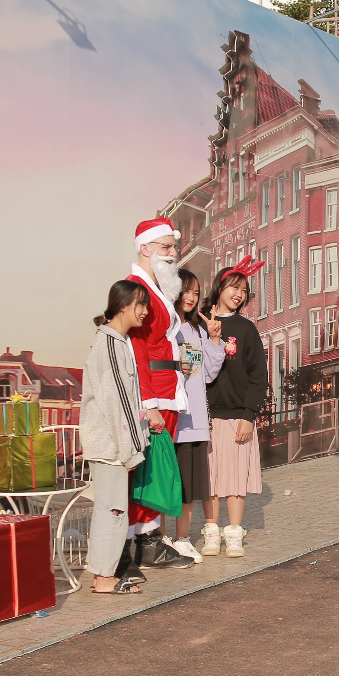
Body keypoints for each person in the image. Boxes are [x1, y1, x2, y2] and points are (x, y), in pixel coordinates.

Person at [125, 217, 195, 570]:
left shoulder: (156, 289)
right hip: (154, 395)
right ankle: (134, 545)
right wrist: (148, 403)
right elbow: (136, 350)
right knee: (145, 471)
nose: (172, 254)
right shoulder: (137, 289)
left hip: (167, 389)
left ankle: (148, 542)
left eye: (173, 247)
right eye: (166, 247)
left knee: (154, 470)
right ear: (145, 248)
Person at [80, 280, 152, 595]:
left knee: (110, 510)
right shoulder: (110, 344)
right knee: (113, 511)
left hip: (110, 446)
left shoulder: (115, 342)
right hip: (110, 447)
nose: (146, 312)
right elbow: (117, 403)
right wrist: (131, 451)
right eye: (140, 304)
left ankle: (103, 574)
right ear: (123, 304)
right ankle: (104, 578)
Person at [205, 261, 268, 557]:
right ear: (219, 287)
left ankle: (234, 534)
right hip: (205, 416)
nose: (239, 294)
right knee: (211, 479)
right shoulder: (199, 323)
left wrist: (249, 414)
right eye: (234, 287)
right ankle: (211, 533)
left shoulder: (246, 329)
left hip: (237, 416)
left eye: (244, 290)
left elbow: (259, 375)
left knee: (235, 480)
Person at [172, 269, 227, 562]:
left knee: (189, 487)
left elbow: (205, 374)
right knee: (168, 482)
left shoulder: (197, 330)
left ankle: (182, 538)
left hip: (193, 423)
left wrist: (215, 340)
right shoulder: (166, 327)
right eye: (186, 291)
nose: (192, 298)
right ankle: (157, 537)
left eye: (196, 292)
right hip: (169, 421)